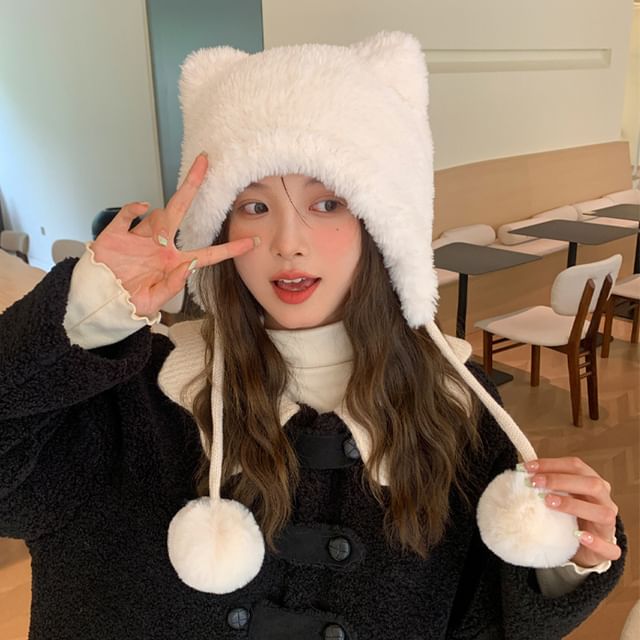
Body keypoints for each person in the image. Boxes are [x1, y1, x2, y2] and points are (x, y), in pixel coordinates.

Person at [0, 32, 625, 640]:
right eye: (254, 205)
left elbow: (482, 618)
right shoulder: (132, 395)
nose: (288, 242)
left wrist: (562, 558)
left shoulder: (458, 409)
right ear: (219, 225)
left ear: (382, 224)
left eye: (327, 203)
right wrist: (84, 310)